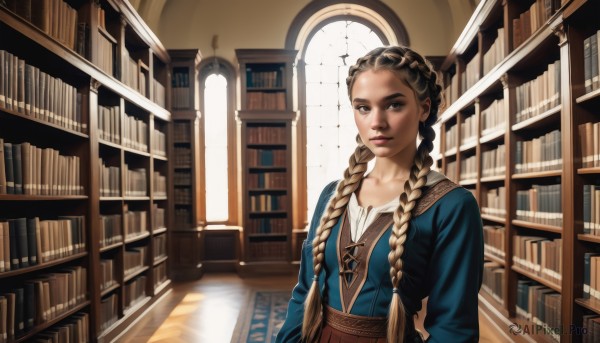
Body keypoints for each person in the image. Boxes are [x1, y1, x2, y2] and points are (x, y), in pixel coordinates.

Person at [275, 45, 484, 343]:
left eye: (394, 105)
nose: (376, 122)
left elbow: (454, 329)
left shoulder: (452, 206)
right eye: (363, 107)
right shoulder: (331, 195)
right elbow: (303, 295)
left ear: (424, 108)